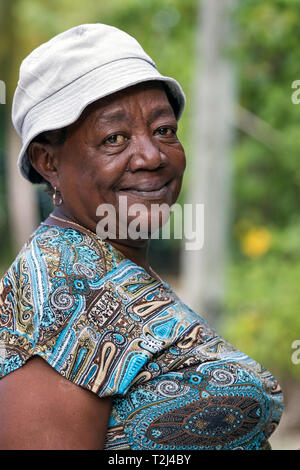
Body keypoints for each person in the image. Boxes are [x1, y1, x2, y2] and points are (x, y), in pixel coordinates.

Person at [0, 23, 283, 450]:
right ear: (47, 162)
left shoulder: (109, 268)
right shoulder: (64, 295)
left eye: (163, 130)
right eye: (114, 138)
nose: (152, 156)